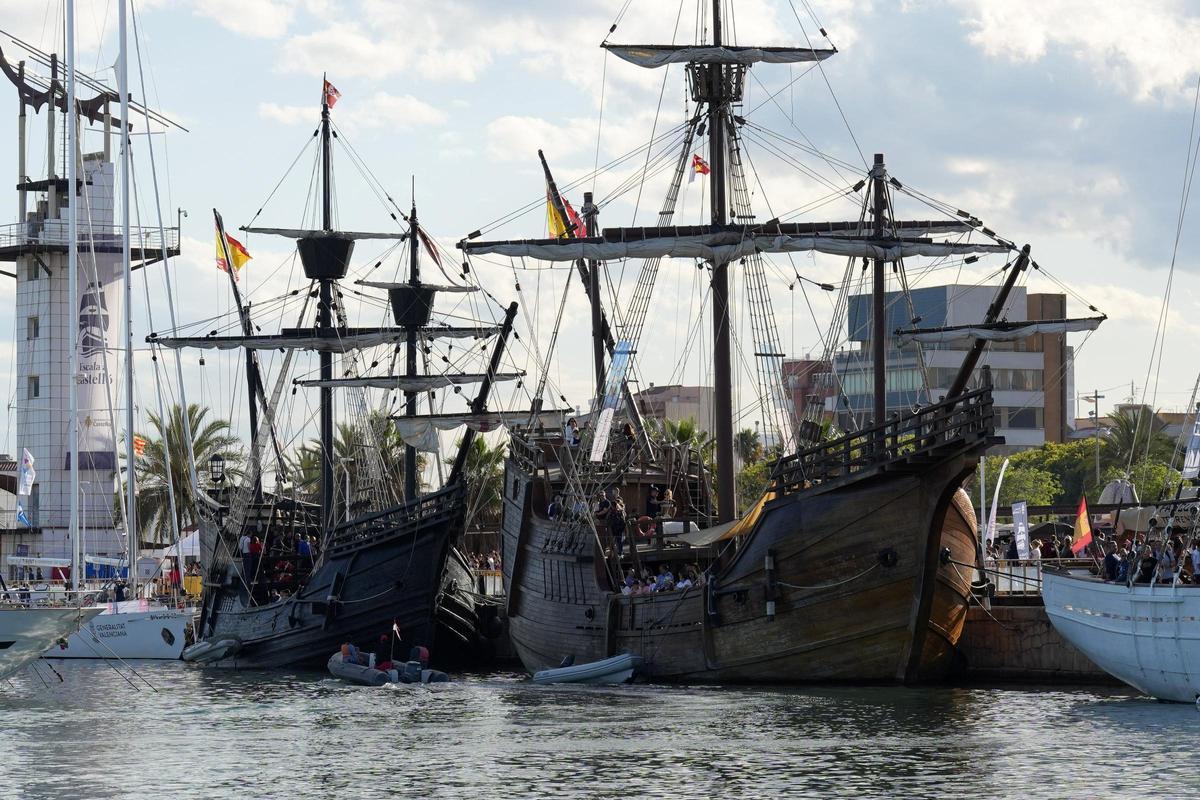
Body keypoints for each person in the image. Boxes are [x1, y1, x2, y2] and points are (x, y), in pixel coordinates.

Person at [608, 490, 627, 556]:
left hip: (619, 528)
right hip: (615, 527)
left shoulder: (620, 512)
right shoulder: (613, 511)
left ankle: (620, 552)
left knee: (619, 540)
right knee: (615, 540)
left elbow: (622, 520)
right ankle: (614, 552)